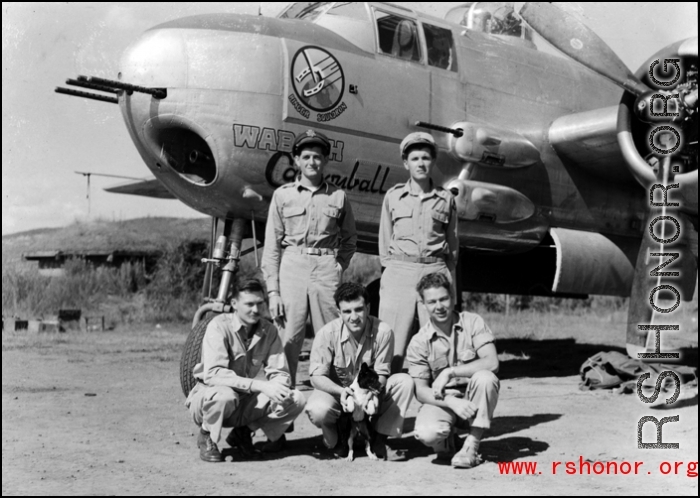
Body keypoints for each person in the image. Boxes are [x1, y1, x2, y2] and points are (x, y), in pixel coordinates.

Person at [262, 129, 357, 387]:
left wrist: (338, 266)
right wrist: (273, 292)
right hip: (292, 265)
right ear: (296, 160)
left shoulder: (338, 196)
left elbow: (350, 239)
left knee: (332, 333)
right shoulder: (283, 196)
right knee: (288, 336)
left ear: (325, 160)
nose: (312, 162)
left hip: (325, 266)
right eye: (306, 156)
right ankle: (282, 408)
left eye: (317, 156)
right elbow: (271, 247)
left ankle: (338, 402)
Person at [185, 279, 306, 462]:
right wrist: (260, 385)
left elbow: (280, 372)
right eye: (249, 304)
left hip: (243, 401)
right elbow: (214, 374)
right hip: (210, 399)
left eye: (260, 303)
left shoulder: (269, 331)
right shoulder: (218, 326)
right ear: (234, 304)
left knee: (295, 398)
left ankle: (243, 433)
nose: (256, 310)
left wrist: (277, 388)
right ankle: (206, 435)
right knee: (225, 395)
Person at [304, 282, 414, 461]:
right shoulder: (326, 334)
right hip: (339, 396)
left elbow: (382, 373)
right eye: (347, 311)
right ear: (339, 313)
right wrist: (341, 392)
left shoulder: (383, 332)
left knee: (404, 381)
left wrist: (372, 394)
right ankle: (339, 438)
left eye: (358, 309)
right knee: (317, 409)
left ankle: (379, 438)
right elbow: (316, 377)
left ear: (368, 308)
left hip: (369, 395)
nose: (353, 317)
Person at [379, 132, 459, 373]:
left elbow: (453, 246)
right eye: (415, 158)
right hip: (399, 271)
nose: (421, 163)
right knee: (390, 340)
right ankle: (383, 399)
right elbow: (384, 243)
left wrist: (446, 276)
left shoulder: (446, 199)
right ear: (406, 163)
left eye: (426, 158)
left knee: (439, 340)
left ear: (433, 161)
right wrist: (393, 271)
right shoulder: (393, 197)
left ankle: (441, 397)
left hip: (434, 270)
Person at [406, 272, 499, 469]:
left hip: (473, 401)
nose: (439, 307)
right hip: (444, 401)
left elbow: (492, 362)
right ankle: (448, 445)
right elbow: (421, 391)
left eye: (443, 299)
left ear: (453, 298)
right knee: (427, 432)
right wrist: (450, 401)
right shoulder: (418, 342)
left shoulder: (472, 322)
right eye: (432, 302)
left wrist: (450, 372)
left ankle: (471, 447)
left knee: (486, 378)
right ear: (423, 305)